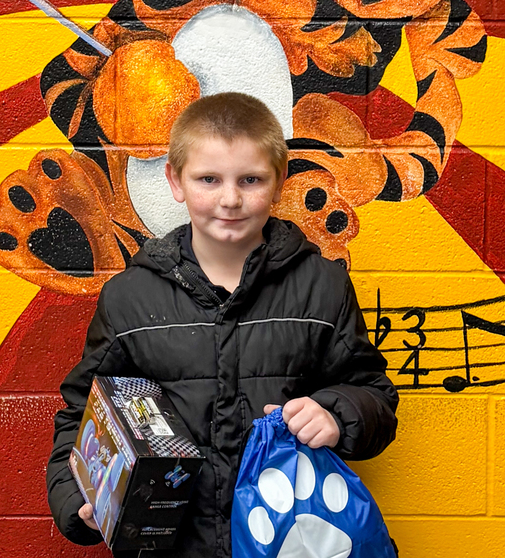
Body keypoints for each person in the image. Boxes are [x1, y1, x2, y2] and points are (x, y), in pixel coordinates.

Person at [46, 92, 399, 557]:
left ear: (279, 183)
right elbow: (81, 415)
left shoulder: (323, 287)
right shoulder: (129, 299)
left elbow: (374, 395)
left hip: (289, 544)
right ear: (176, 180)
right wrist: (80, 499)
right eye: (208, 179)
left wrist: (337, 414)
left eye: (250, 180)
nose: (230, 199)